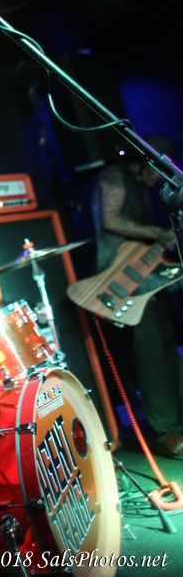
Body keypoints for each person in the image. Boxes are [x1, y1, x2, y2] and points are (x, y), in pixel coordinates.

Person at [91, 135, 183, 458]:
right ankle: (167, 431)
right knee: (151, 353)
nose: (159, 179)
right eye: (158, 170)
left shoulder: (140, 186)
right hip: (122, 277)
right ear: (146, 162)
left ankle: (174, 423)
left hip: (144, 274)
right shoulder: (115, 175)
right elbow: (110, 219)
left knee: (166, 347)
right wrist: (157, 233)